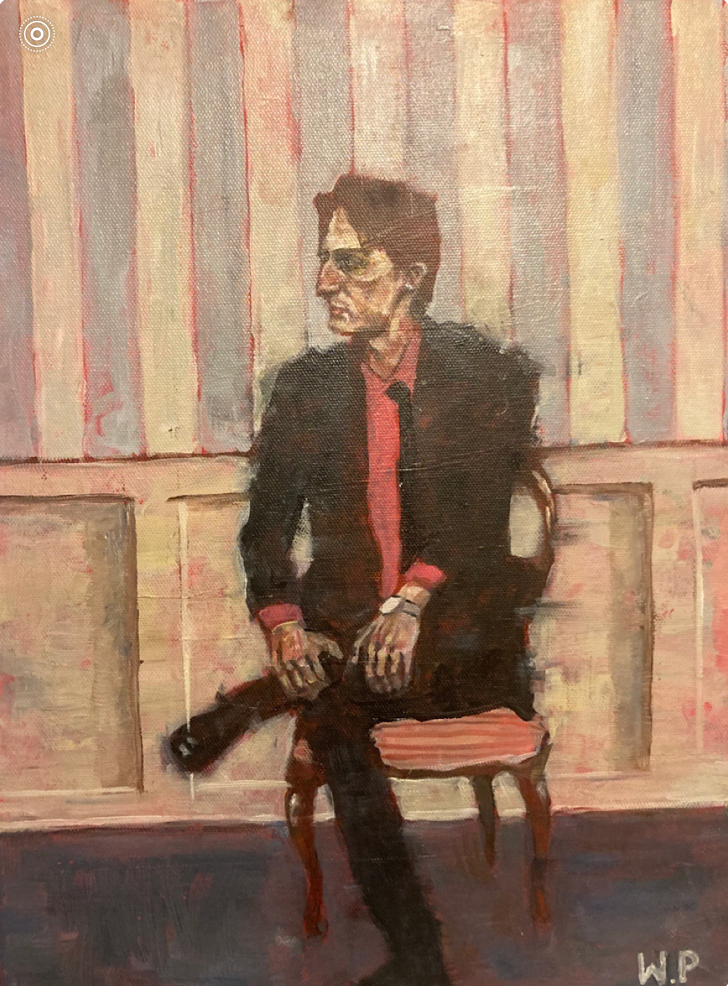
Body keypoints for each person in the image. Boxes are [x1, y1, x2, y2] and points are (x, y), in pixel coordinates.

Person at [169, 175, 553, 986]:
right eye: (324, 261)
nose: (325, 283)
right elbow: (264, 533)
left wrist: (411, 602)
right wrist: (282, 624)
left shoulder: (485, 375)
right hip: (346, 644)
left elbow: (477, 522)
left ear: (411, 274)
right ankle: (417, 955)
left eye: (350, 262)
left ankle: (251, 704)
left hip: (462, 643)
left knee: (333, 699)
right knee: (340, 705)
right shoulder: (306, 391)